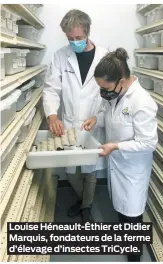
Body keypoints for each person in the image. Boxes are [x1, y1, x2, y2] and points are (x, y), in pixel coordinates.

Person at [82, 48, 158, 261]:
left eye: (105, 88)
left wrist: (115, 146)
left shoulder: (141, 102)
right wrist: (97, 118)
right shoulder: (115, 94)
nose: (103, 93)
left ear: (122, 81)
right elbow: (109, 114)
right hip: (118, 166)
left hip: (133, 169)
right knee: (122, 212)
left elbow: (148, 142)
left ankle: (134, 257)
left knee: (132, 216)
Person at [42, 9, 107, 222]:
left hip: (92, 121)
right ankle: (82, 200)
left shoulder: (104, 56)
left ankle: (86, 206)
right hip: (69, 121)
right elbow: (51, 88)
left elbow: (109, 93)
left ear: (87, 33)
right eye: (70, 38)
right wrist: (52, 115)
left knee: (90, 168)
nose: (74, 42)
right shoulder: (61, 56)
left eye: (78, 38)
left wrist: (99, 116)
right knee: (70, 169)